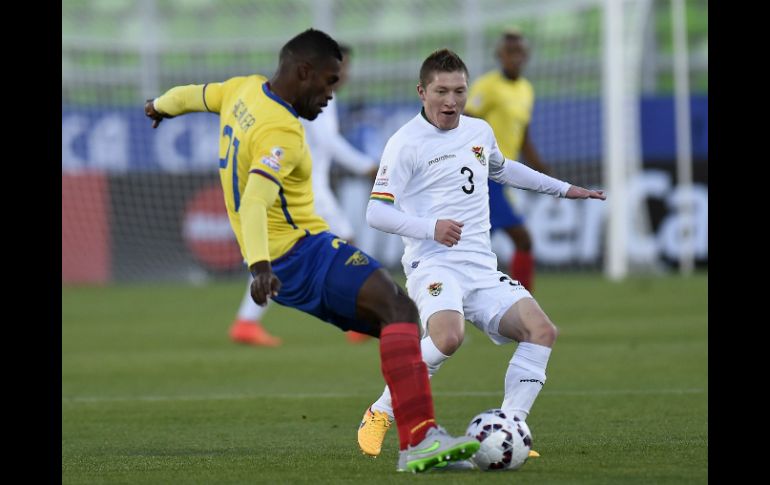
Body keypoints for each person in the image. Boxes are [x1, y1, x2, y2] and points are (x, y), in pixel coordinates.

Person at [144, 28, 478, 473]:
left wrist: (159, 106)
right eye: (327, 82)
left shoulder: (241, 89)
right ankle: (419, 440)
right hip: (301, 254)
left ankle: (417, 436)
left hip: (295, 257)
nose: (330, 95)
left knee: (399, 324)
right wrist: (260, 266)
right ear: (304, 72)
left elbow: (192, 96)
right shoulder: (282, 131)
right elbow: (258, 200)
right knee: (399, 309)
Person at [356, 48, 605, 464]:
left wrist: (565, 188)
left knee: (541, 331)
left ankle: (510, 427)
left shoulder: (478, 131)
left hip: (480, 267)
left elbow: (504, 168)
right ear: (422, 91)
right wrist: (429, 227)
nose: (451, 101)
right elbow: (375, 212)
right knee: (448, 338)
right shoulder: (404, 144)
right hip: (433, 264)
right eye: (441, 91)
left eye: (459, 91)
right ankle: (380, 411)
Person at [229, 43, 378, 346]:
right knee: (347, 246)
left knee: (282, 256)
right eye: (341, 66)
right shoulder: (320, 92)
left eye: (346, 66)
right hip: (308, 190)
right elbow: (328, 141)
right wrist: (366, 167)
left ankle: (246, 322)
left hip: (302, 186)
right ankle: (359, 320)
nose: (344, 73)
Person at [464, 29, 548, 292]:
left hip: (504, 174)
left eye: (520, 52)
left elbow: (523, 136)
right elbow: (462, 123)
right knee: (522, 239)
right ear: (499, 55)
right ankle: (523, 306)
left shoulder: (526, 90)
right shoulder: (486, 86)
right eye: (510, 52)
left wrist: (542, 170)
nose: (516, 57)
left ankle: (447, 306)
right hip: (484, 175)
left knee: (472, 251)